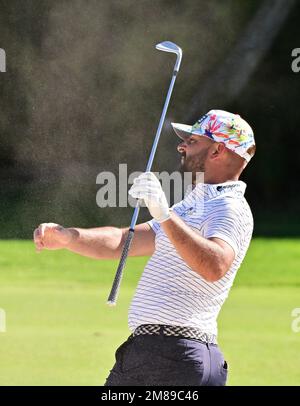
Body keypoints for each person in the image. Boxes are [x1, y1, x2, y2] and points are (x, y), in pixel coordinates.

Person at [33, 109, 256, 386]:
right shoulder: (192, 205)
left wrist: (165, 214)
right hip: (163, 355)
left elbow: (215, 265)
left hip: (173, 357)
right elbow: (122, 242)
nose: (182, 145)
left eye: (193, 141)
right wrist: (69, 237)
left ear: (217, 150)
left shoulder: (229, 207)